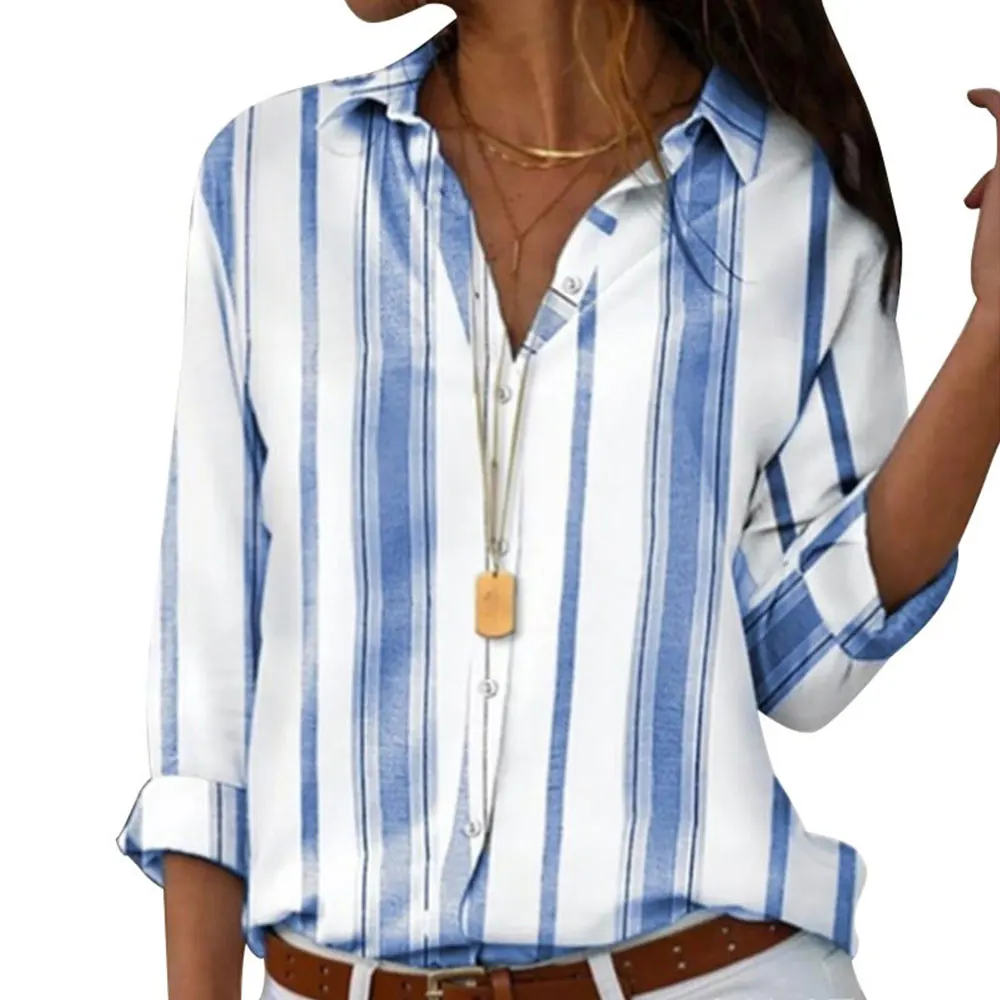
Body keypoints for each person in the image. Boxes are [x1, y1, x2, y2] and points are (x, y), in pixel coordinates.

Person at [115, 1, 1000, 998]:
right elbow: (208, 685)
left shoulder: (787, 200)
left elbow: (802, 660)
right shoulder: (270, 177)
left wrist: (995, 333)